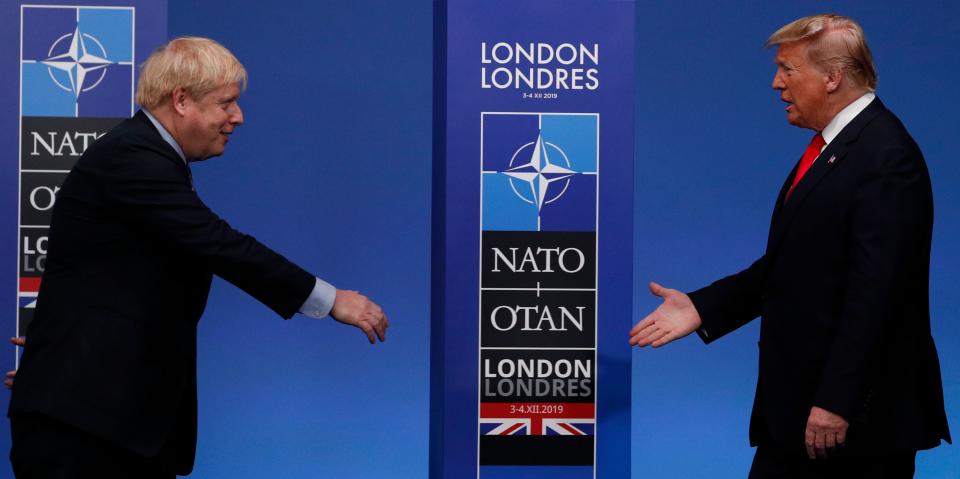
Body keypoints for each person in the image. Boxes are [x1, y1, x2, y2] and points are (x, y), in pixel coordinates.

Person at [8, 37, 389, 478]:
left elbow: (104, 278)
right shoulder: (134, 159)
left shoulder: (148, 157)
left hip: (104, 417)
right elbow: (218, 243)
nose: (238, 117)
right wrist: (329, 299)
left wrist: (59, 354)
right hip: (84, 429)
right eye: (226, 103)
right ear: (182, 100)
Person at [629, 14, 950, 478]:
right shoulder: (834, 148)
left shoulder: (885, 157)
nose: (777, 84)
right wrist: (701, 306)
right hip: (804, 411)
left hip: (853, 422)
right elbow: (796, 264)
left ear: (832, 77)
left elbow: (878, 295)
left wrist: (836, 403)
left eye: (788, 69)